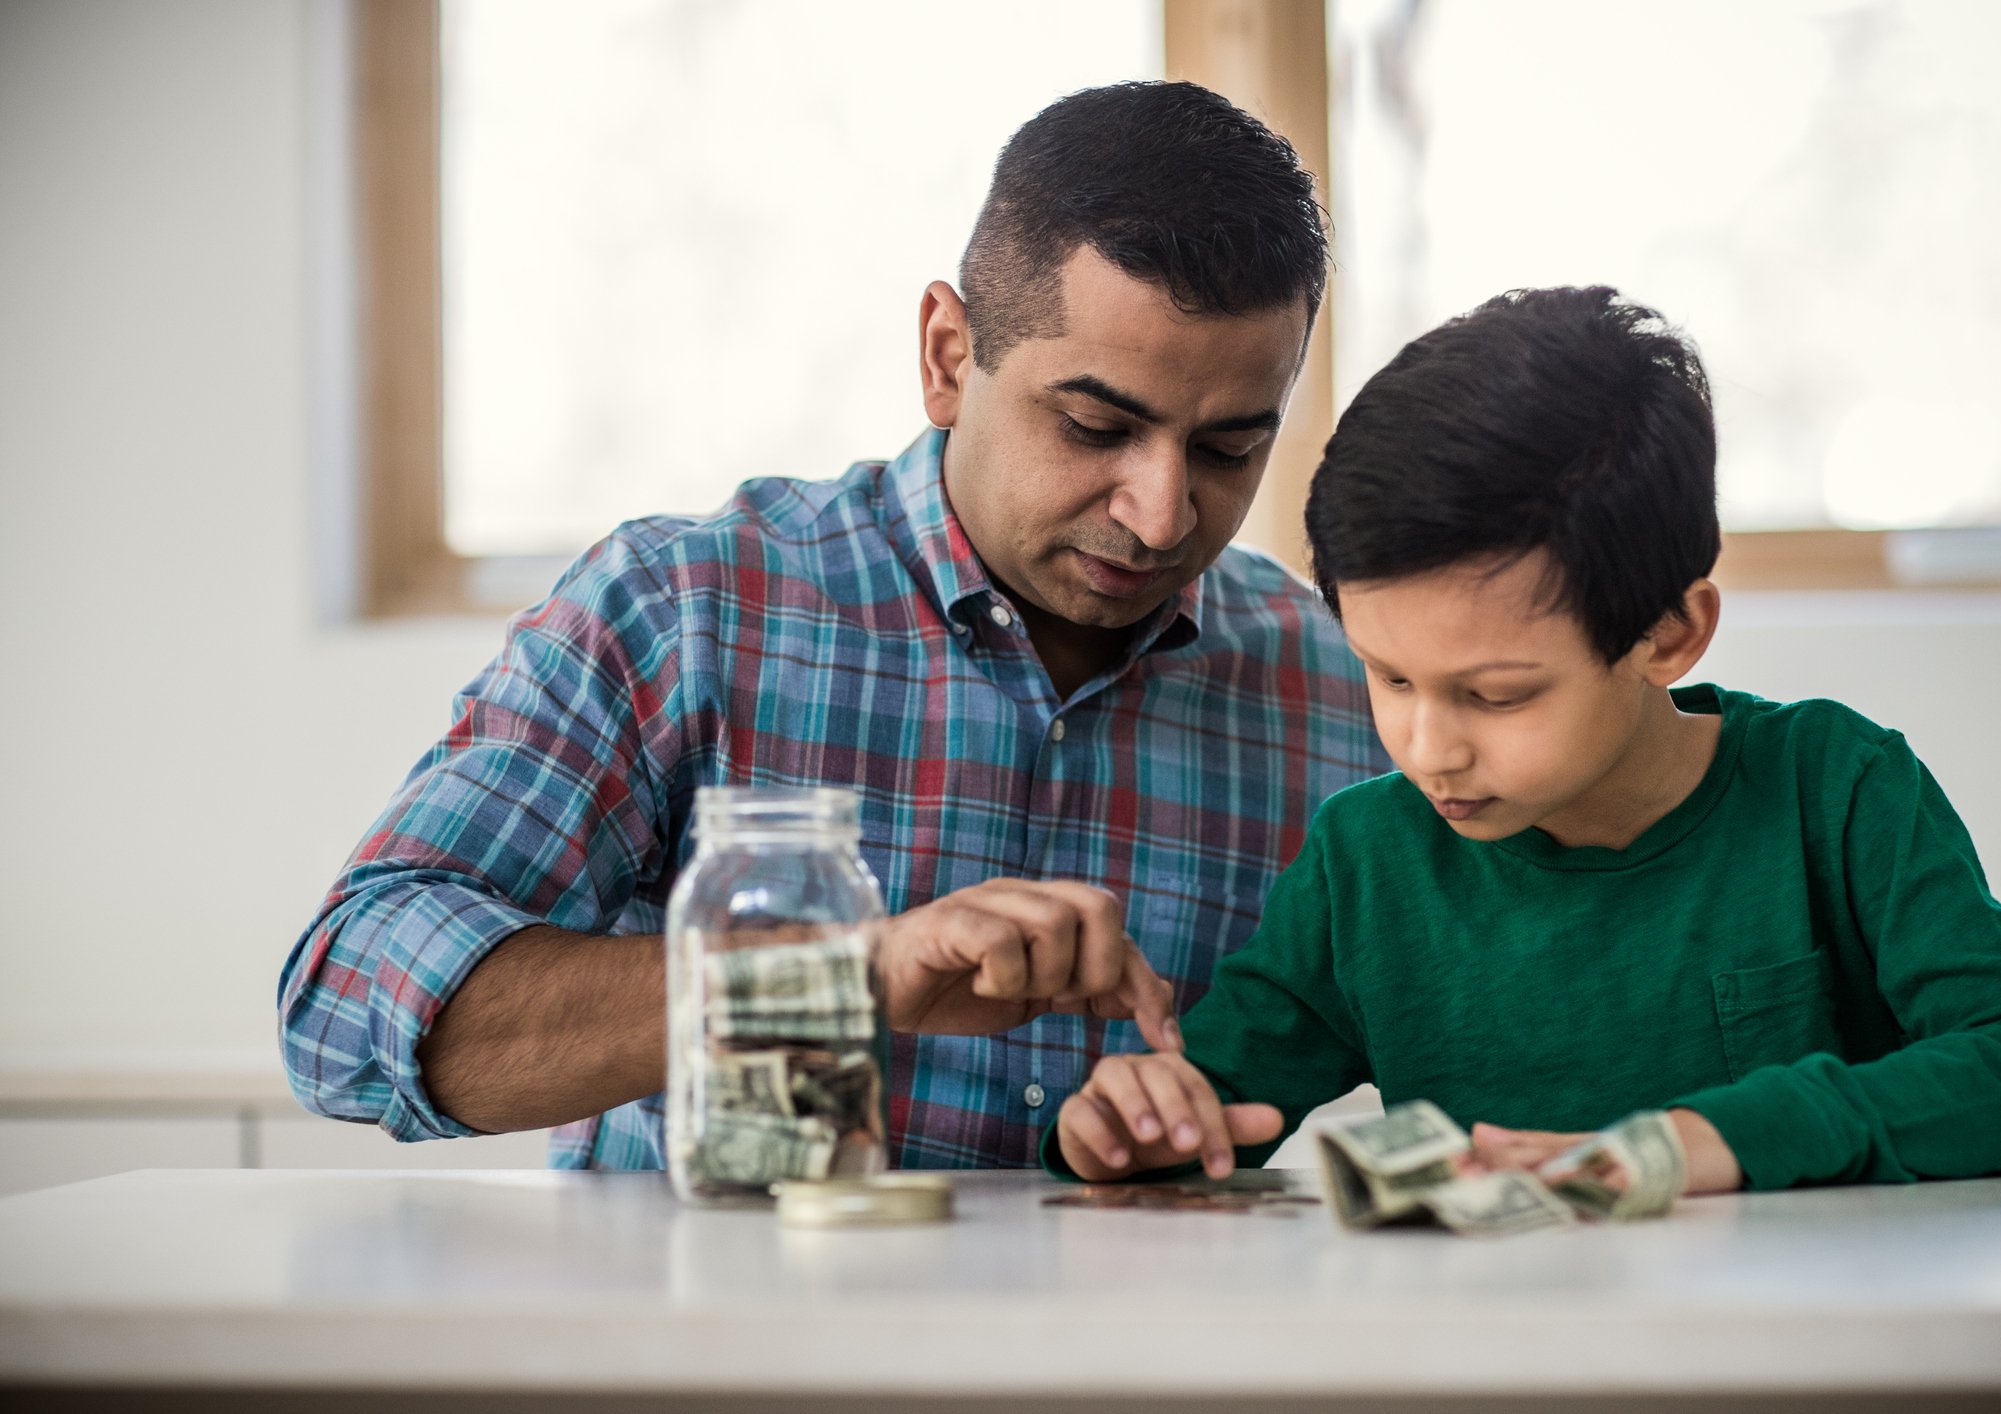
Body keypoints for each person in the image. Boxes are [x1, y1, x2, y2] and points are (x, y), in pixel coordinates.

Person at [278, 81, 1390, 1170]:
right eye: (1096, 425)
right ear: (948, 356)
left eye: (1229, 449)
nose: (1160, 513)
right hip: (727, 1346)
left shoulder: (1348, 692)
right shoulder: (684, 610)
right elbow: (342, 1008)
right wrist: (838, 977)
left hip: (1142, 1353)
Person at [1050, 285, 2001, 1192]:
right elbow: (1207, 1111)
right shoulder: (1366, 862)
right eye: (1390, 675)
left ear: (1669, 633)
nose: (1429, 747)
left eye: (1498, 695)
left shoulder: (1832, 791)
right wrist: (1135, 1123)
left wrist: (1706, 1143)